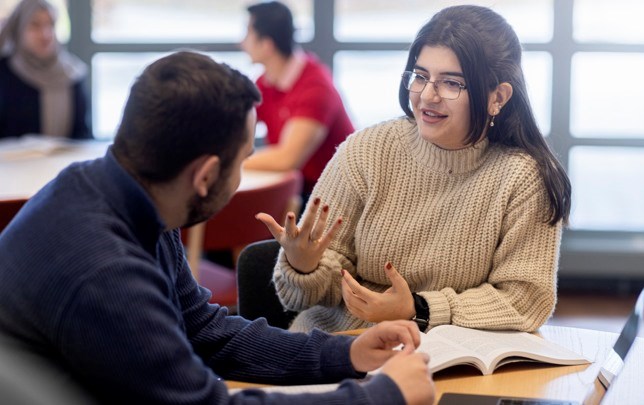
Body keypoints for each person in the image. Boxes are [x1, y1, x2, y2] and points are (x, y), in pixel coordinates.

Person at [0, 51, 434, 405]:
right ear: (205, 175)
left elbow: (203, 331)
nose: (243, 171)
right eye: (243, 159)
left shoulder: (124, 190)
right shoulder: (105, 270)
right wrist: (380, 397)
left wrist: (347, 352)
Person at [257, 5, 572, 334]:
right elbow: (302, 296)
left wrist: (418, 309)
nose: (427, 96)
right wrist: (303, 265)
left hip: (451, 358)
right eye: (420, 77)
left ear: (498, 97)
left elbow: (525, 299)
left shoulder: (523, 178)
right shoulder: (368, 150)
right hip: (340, 346)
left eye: (451, 83)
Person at [240, 1, 354, 204]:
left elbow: (287, 159)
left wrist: (227, 162)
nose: (241, 43)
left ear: (266, 44)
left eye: (247, 34)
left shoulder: (315, 86)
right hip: (300, 191)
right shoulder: (266, 82)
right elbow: (235, 129)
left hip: (332, 198)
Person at [0, 0, 91, 139]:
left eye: (51, 25)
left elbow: (83, 136)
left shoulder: (71, 74)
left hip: (64, 160)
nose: (45, 34)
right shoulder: (4, 72)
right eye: (35, 25)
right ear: (19, 28)